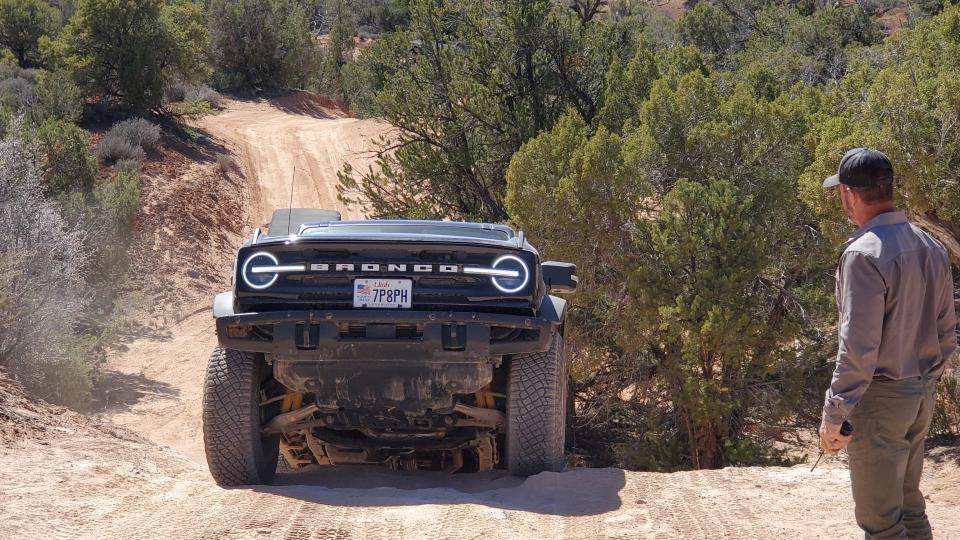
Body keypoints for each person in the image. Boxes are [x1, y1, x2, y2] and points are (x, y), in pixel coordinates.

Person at [819, 147, 957, 539]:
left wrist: (834, 413)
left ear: (849, 194)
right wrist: (927, 379)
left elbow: (857, 348)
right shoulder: (931, 246)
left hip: (880, 403)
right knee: (910, 509)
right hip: (920, 395)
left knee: (882, 523)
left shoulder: (863, 254)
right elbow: (947, 328)